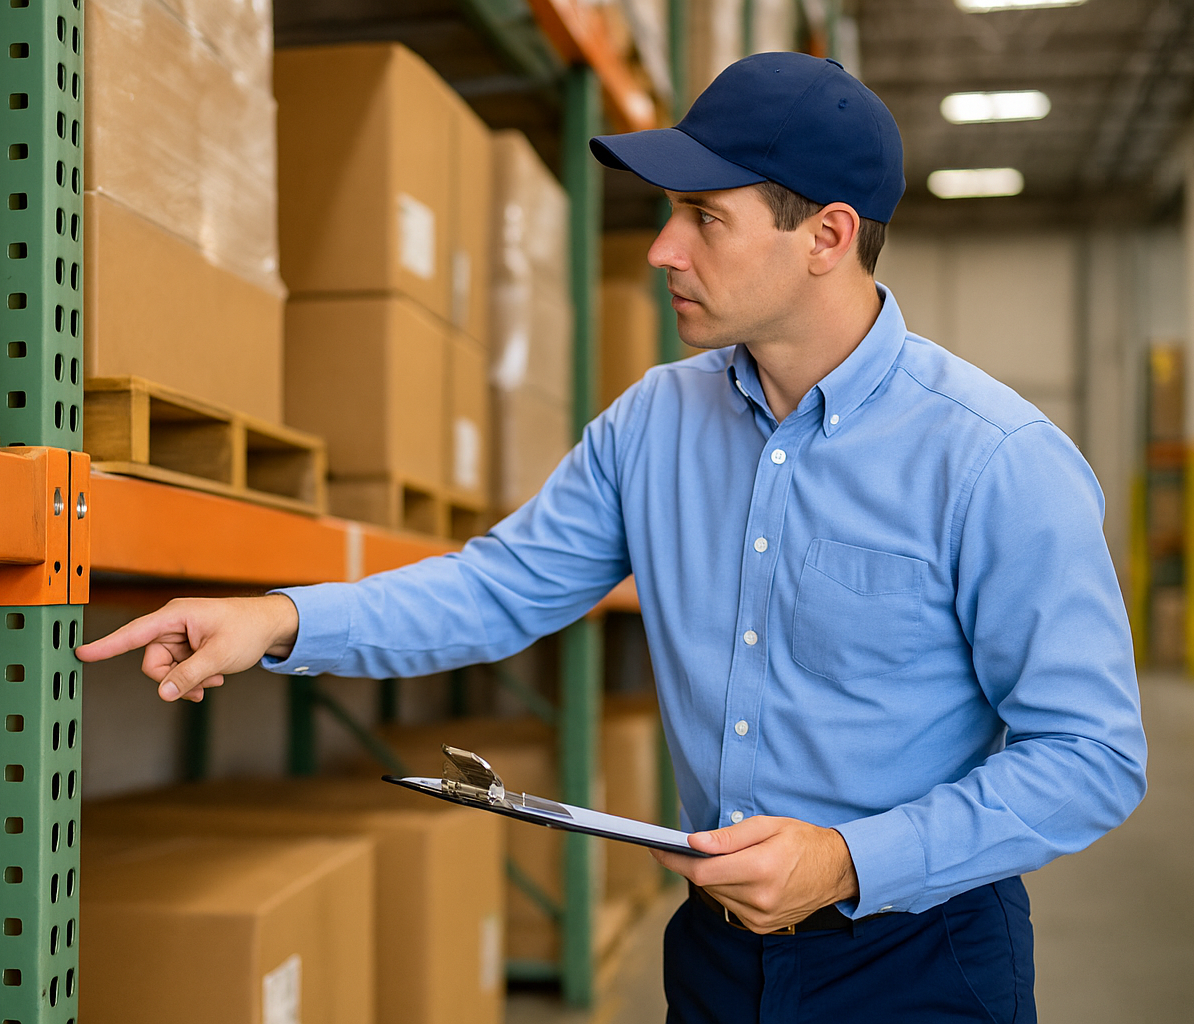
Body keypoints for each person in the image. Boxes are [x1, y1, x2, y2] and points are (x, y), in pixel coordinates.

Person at [79, 52, 1147, 1023]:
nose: (661, 250)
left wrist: (848, 860)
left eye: (701, 215)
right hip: (719, 959)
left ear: (826, 234)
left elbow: (1091, 753)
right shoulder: (653, 422)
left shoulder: (995, 458)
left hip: (921, 964)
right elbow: (496, 589)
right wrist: (275, 619)